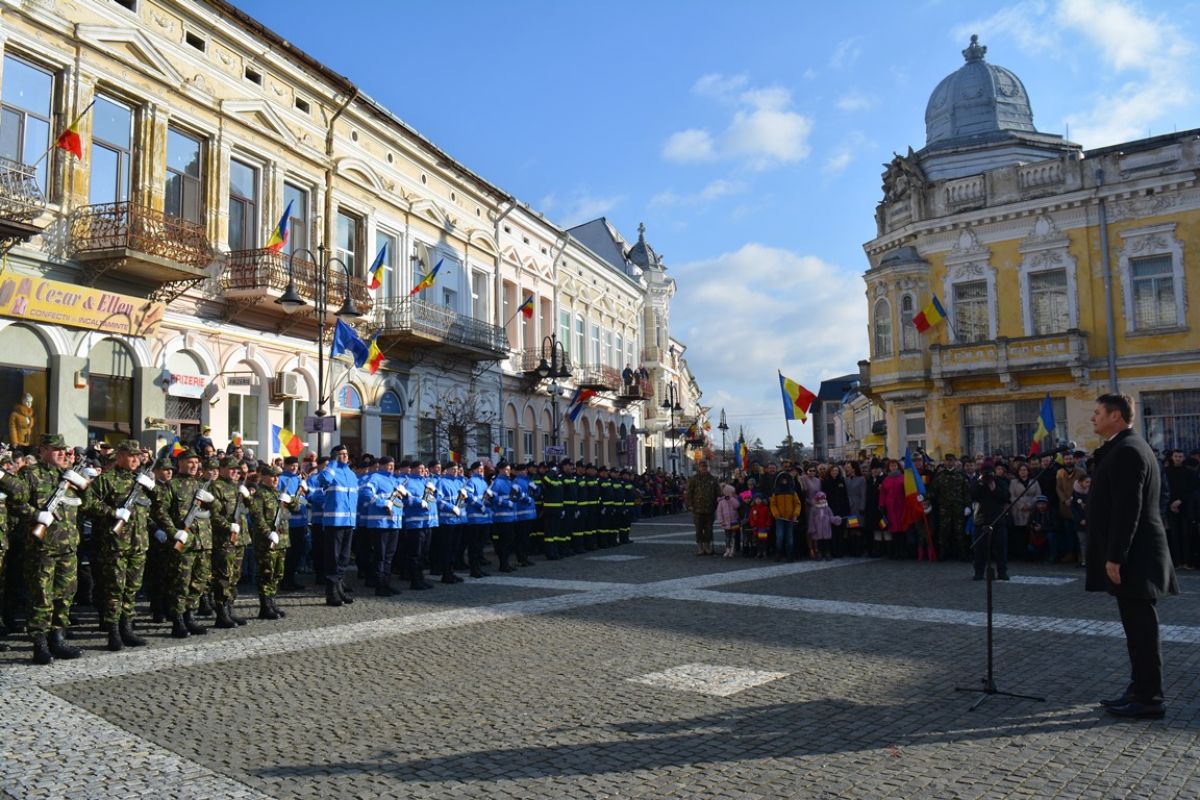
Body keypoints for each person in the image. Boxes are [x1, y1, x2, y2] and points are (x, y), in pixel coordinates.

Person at [1086, 393, 1179, 719]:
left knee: (1142, 631)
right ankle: (1139, 688)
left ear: (1115, 416)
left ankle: (1150, 697)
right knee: (1136, 630)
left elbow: (1129, 508)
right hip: (1133, 555)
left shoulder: (1128, 449)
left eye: (1098, 412)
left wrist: (1116, 556)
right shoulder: (1124, 446)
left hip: (1135, 558)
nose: (1093, 418)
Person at [18, 434, 89, 664]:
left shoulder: (68, 475)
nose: (62, 453)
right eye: (56, 449)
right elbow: (16, 503)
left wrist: (82, 485)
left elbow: (88, 504)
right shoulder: (30, 474)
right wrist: (36, 514)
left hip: (68, 547)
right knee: (41, 597)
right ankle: (39, 644)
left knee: (65, 595)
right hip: (42, 549)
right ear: (42, 451)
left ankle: (57, 639)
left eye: (63, 450)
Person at [80, 440, 155, 651]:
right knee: (114, 590)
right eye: (131, 455)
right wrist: (113, 512)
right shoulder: (107, 479)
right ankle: (113, 632)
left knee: (132, 589)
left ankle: (127, 628)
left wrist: (152, 487)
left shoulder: (140, 480)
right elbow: (87, 503)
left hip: (138, 543)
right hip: (115, 545)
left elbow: (155, 505)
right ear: (120, 455)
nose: (135, 459)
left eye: (137, 456)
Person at [151, 449, 216, 638]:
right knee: (180, 583)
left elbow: (217, 510)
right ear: (180, 463)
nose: (194, 466)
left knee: (198, 582)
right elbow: (160, 511)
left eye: (196, 462)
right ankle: (178, 620)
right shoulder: (172, 486)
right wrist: (173, 532)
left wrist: (212, 501)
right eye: (190, 462)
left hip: (202, 542)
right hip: (184, 543)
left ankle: (190, 616)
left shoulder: (201, 485)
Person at [248, 463, 301, 620]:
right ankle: (265, 606)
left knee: (278, 573)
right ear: (263, 477)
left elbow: (296, 508)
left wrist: (291, 500)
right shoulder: (259, 494)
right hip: (266, 542)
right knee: (266, 573)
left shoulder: (279, 493)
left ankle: (272, 602)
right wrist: (268, 533)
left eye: (277, 476)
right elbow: (257, 517)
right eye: (272, 476)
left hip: (282, 540)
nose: (276, 479)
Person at [716, 484, 741, 557]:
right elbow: (719, 512)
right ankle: (727, 549)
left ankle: (732, 549)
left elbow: (737, 505)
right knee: (727, 537)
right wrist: (721, 521)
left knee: (733, 536)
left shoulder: (733, 499)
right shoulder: (721, 502)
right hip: (726, 522)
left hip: (734, 521)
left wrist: (731, 499)